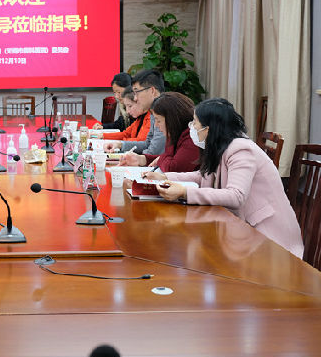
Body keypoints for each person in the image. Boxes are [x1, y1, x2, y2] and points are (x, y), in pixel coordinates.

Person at [145, 98, 303, 257]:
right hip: (240, 232)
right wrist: (163, 177)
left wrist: (185, 192)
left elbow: (236, 195)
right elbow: (203, 176)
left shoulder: (241, 149)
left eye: (195, 123)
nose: (192, 127)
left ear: (209, 128)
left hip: (268, 240)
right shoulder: (220, 145)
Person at [118, 92, 199, 173]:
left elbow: (173, 168)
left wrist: (160, 159)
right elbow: (168, 158)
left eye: (159, 121)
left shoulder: (192, 138)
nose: (156, 125)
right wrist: (141, 159)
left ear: (172, 120)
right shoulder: (176, 134)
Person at [104, 69, 166, 155]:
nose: (135, 98)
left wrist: (138, 158)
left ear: (152, 91)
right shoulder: (154, 111)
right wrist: (121, 144)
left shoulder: (164, 111)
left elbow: (153, 151)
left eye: (137, 92)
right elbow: (147, 144)